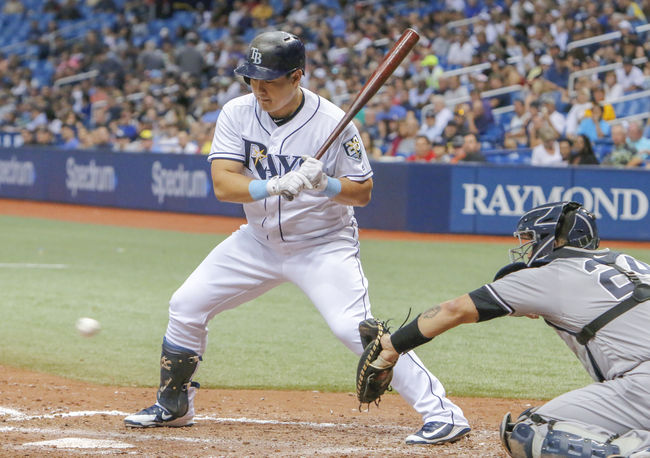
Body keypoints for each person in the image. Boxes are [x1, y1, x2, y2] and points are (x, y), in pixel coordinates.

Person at [124, 30, 470, 445]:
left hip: (322, 245)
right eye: (252, 79)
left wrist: (325, 184)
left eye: (269, 80)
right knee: (186, 305)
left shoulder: (333, 122)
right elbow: (223, 184)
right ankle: (174, 406)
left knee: (353, 329)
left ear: (296, 76)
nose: (259, 89)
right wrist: (272, 185)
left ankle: (444, 414)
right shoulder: (237, 112)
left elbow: (362, 192)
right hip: (256, 242)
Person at [369, 201, 650, 458]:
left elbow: (454, 310)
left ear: (554, 239)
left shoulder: (550, 275)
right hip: (639, 387)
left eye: (531, 239)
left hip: (642, 386)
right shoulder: (629, 263)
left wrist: (394, 345)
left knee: (532, 431)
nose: (527, 247)